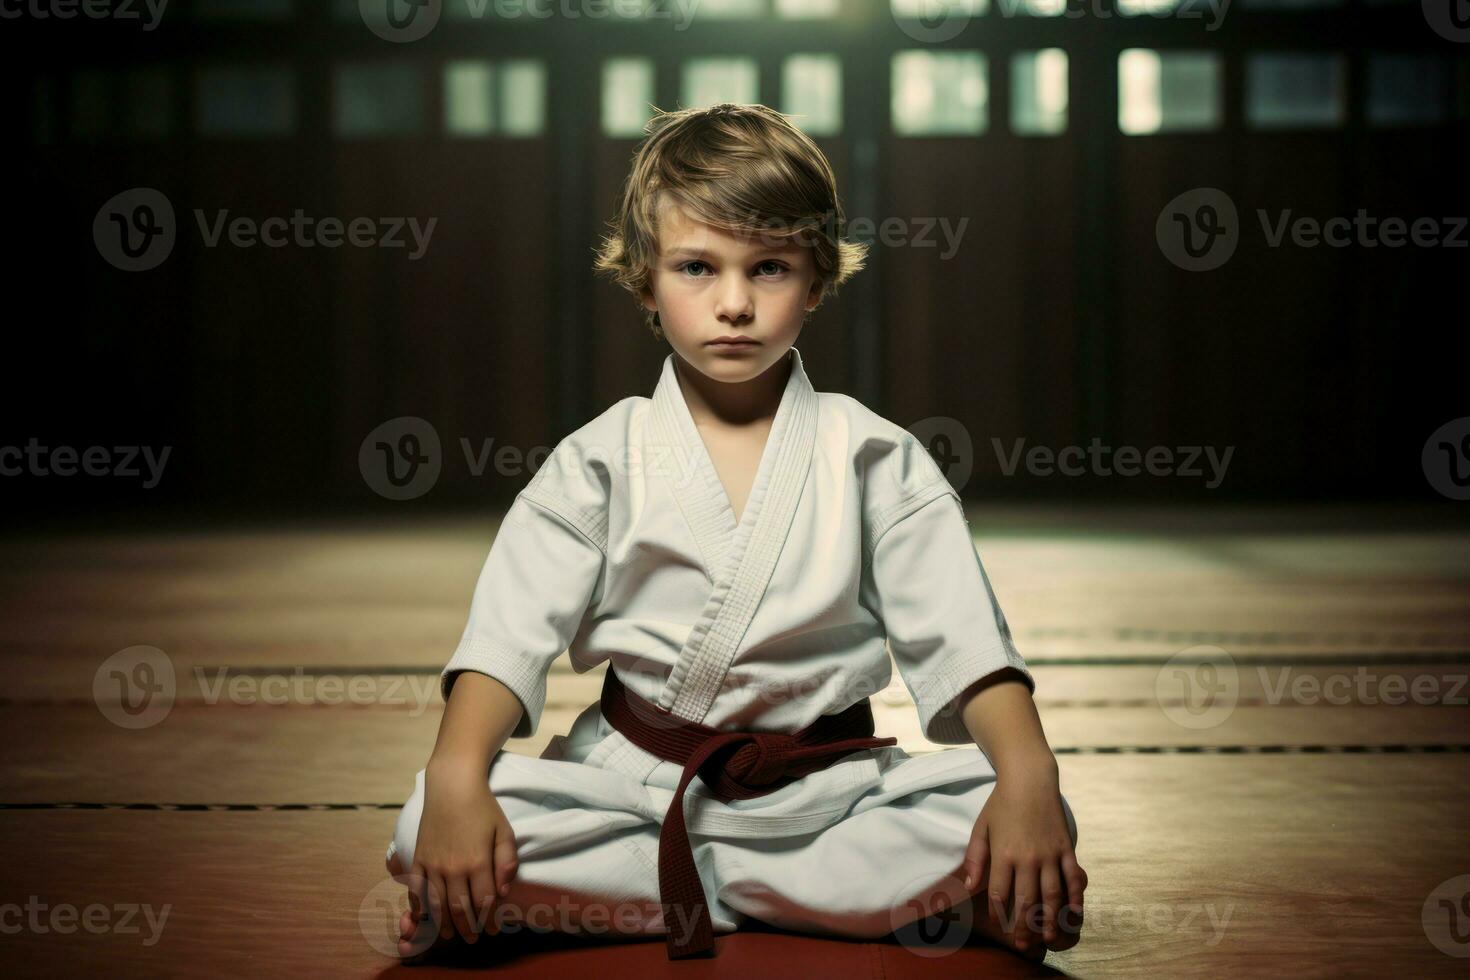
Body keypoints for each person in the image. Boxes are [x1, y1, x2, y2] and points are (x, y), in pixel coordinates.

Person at [384, 103, 1086, 963]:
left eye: (769, 268)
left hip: (828, 795)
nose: (733, 304)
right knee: (428, 820)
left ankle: (691, 894)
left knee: (1005, 800)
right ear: (645, 279)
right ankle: (822, 900)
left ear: (818, 279)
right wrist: (458, 773)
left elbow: (964, 640)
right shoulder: (600, 460)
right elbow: (507, 638)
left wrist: (1029, 777)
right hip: (638, 794)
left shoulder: (873, 457)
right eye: (695, 267)